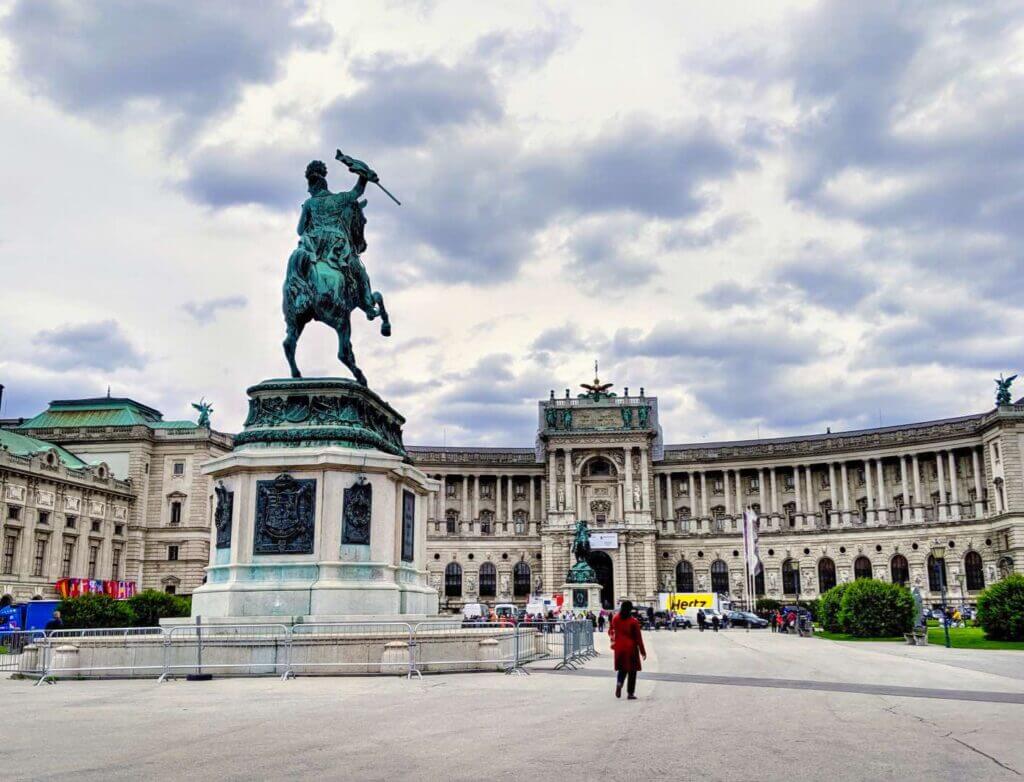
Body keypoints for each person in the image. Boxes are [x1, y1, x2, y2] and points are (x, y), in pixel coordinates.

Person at [609, 600, 646, 700]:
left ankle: (619, 683)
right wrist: (643, 652)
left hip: (619, 648)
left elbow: (611, 631)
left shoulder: (615, 618)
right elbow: (638, 638)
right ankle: (630, 693)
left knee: (622, 669)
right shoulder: (633, 621)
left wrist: (613, 642)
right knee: (632, 671)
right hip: (631, 648)